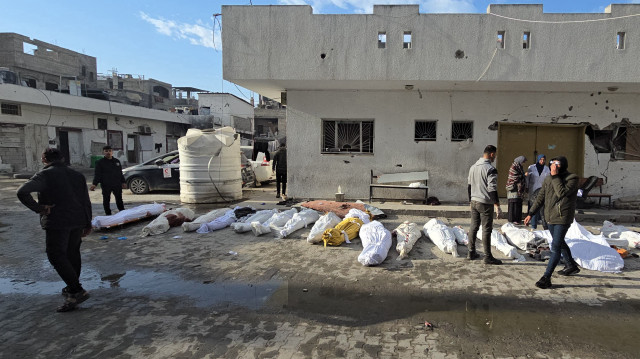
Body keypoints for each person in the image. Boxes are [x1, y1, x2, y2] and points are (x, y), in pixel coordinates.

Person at [17, 148, 92, 312]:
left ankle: (76, 290)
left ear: (44, 159)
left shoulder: (45, 175)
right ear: (63, 158)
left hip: (58, 221)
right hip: (78, 219)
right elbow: (86, 200)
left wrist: (40, 208)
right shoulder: (77, 175)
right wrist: (88, 223)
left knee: (56, 255)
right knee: (73, 253)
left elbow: (22, 192)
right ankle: (72, 287)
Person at [524, 156, 580, 289]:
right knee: (559, 242)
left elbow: (561, 193)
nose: (553, 166)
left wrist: (555, 177)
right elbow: (540, 197)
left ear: (563, 165)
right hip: (550, 217)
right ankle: (571, 265)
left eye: (557, 164)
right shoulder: (549, 178)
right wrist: (530, 213)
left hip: (562, 217)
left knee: (555, 247)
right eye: (552, 164)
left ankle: (546, 277)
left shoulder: (572, 179)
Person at [467, 145, 503, 265]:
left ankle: (471, 252)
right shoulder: (491, 169)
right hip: (485, 203)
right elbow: (492, 188)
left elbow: (469, 186)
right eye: (495, 155)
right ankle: (488, 256)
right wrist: (497, 204)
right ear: (492, 154)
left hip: (474, 201)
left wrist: (470, 200)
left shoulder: (473, 167)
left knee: (474, 226)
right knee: (486, 229)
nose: (495, 157)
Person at [90, 145, 126, 215]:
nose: (108, 152)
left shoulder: (116, 161)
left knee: (119, 199)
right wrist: (94, 184)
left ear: (112, 152)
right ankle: (108, 214)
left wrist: (123, 182)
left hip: (117, 184)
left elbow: (120, 173)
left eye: (109, 151)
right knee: (106, 200)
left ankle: (122, 213)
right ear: (103, 152)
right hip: (106, 184)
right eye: (106, 151)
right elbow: (97, 174)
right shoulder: (100, 162)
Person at [527, 154, 550, 229]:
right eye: (541, 159)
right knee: (533, 204)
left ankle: (539, 219)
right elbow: (528, 178)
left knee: (541, 205)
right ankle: (532, 223)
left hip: (542, 189)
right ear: (538, 159)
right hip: (533, 188)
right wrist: (527, 186)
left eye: (543, 160)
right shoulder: (531, 167)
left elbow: (548, 179)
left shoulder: (547, 169)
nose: (542, 161)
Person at [506, 156, 527, 224]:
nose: (523, 163)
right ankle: (512, 219)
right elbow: (513, 177)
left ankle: (517, 219)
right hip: (513, 188)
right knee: (513, 204)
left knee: (518, 204)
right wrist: (524, 175)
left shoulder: (519, 167)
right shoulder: (514, 167)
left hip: (518, 190)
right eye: (523, 162)